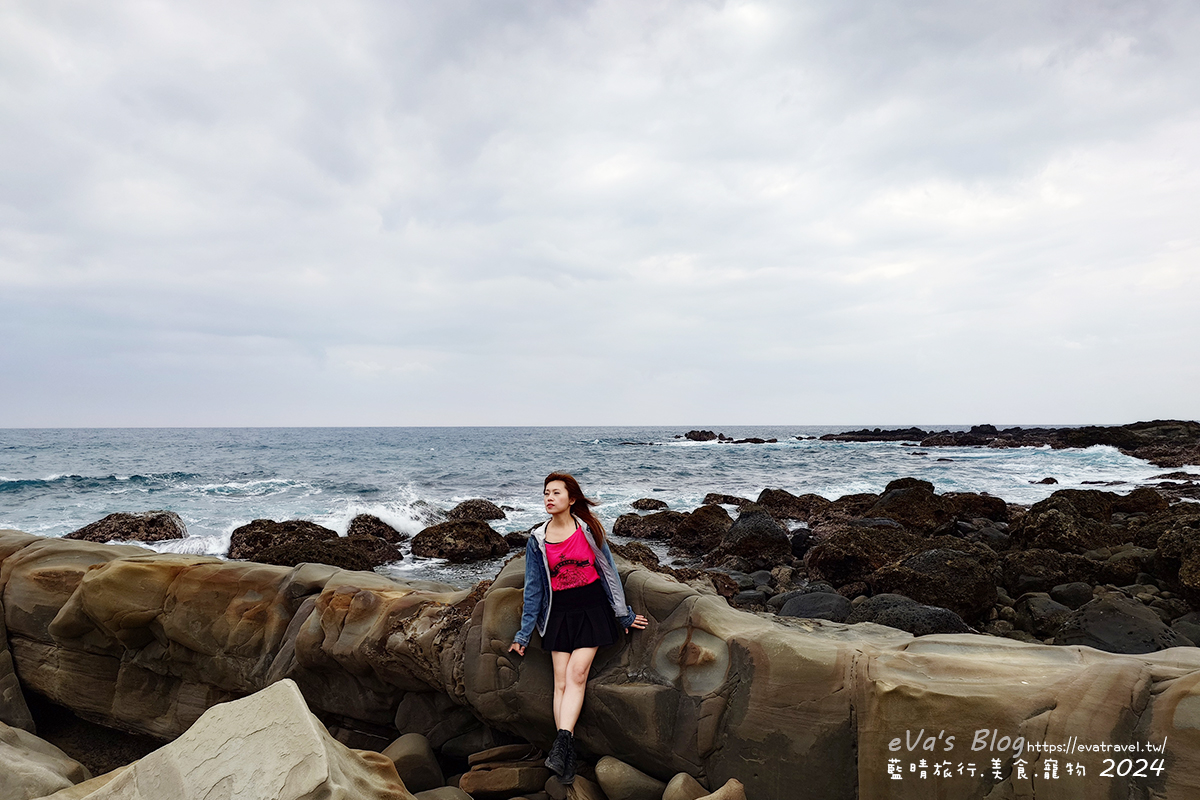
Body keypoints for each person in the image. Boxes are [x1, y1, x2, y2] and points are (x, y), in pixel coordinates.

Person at [508, 472, 649, 785]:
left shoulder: (588, 529)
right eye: (546, 493)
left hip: (592, 609)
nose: (549, 498)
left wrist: (623, 615)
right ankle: (565, 753)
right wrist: (523, 633)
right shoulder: (538, 539)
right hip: (558, 613)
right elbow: (533, 588)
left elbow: (609, 572)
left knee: (577, 674)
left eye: (556, 493)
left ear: (572, 499)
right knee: (559, 681)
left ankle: (561, 745)